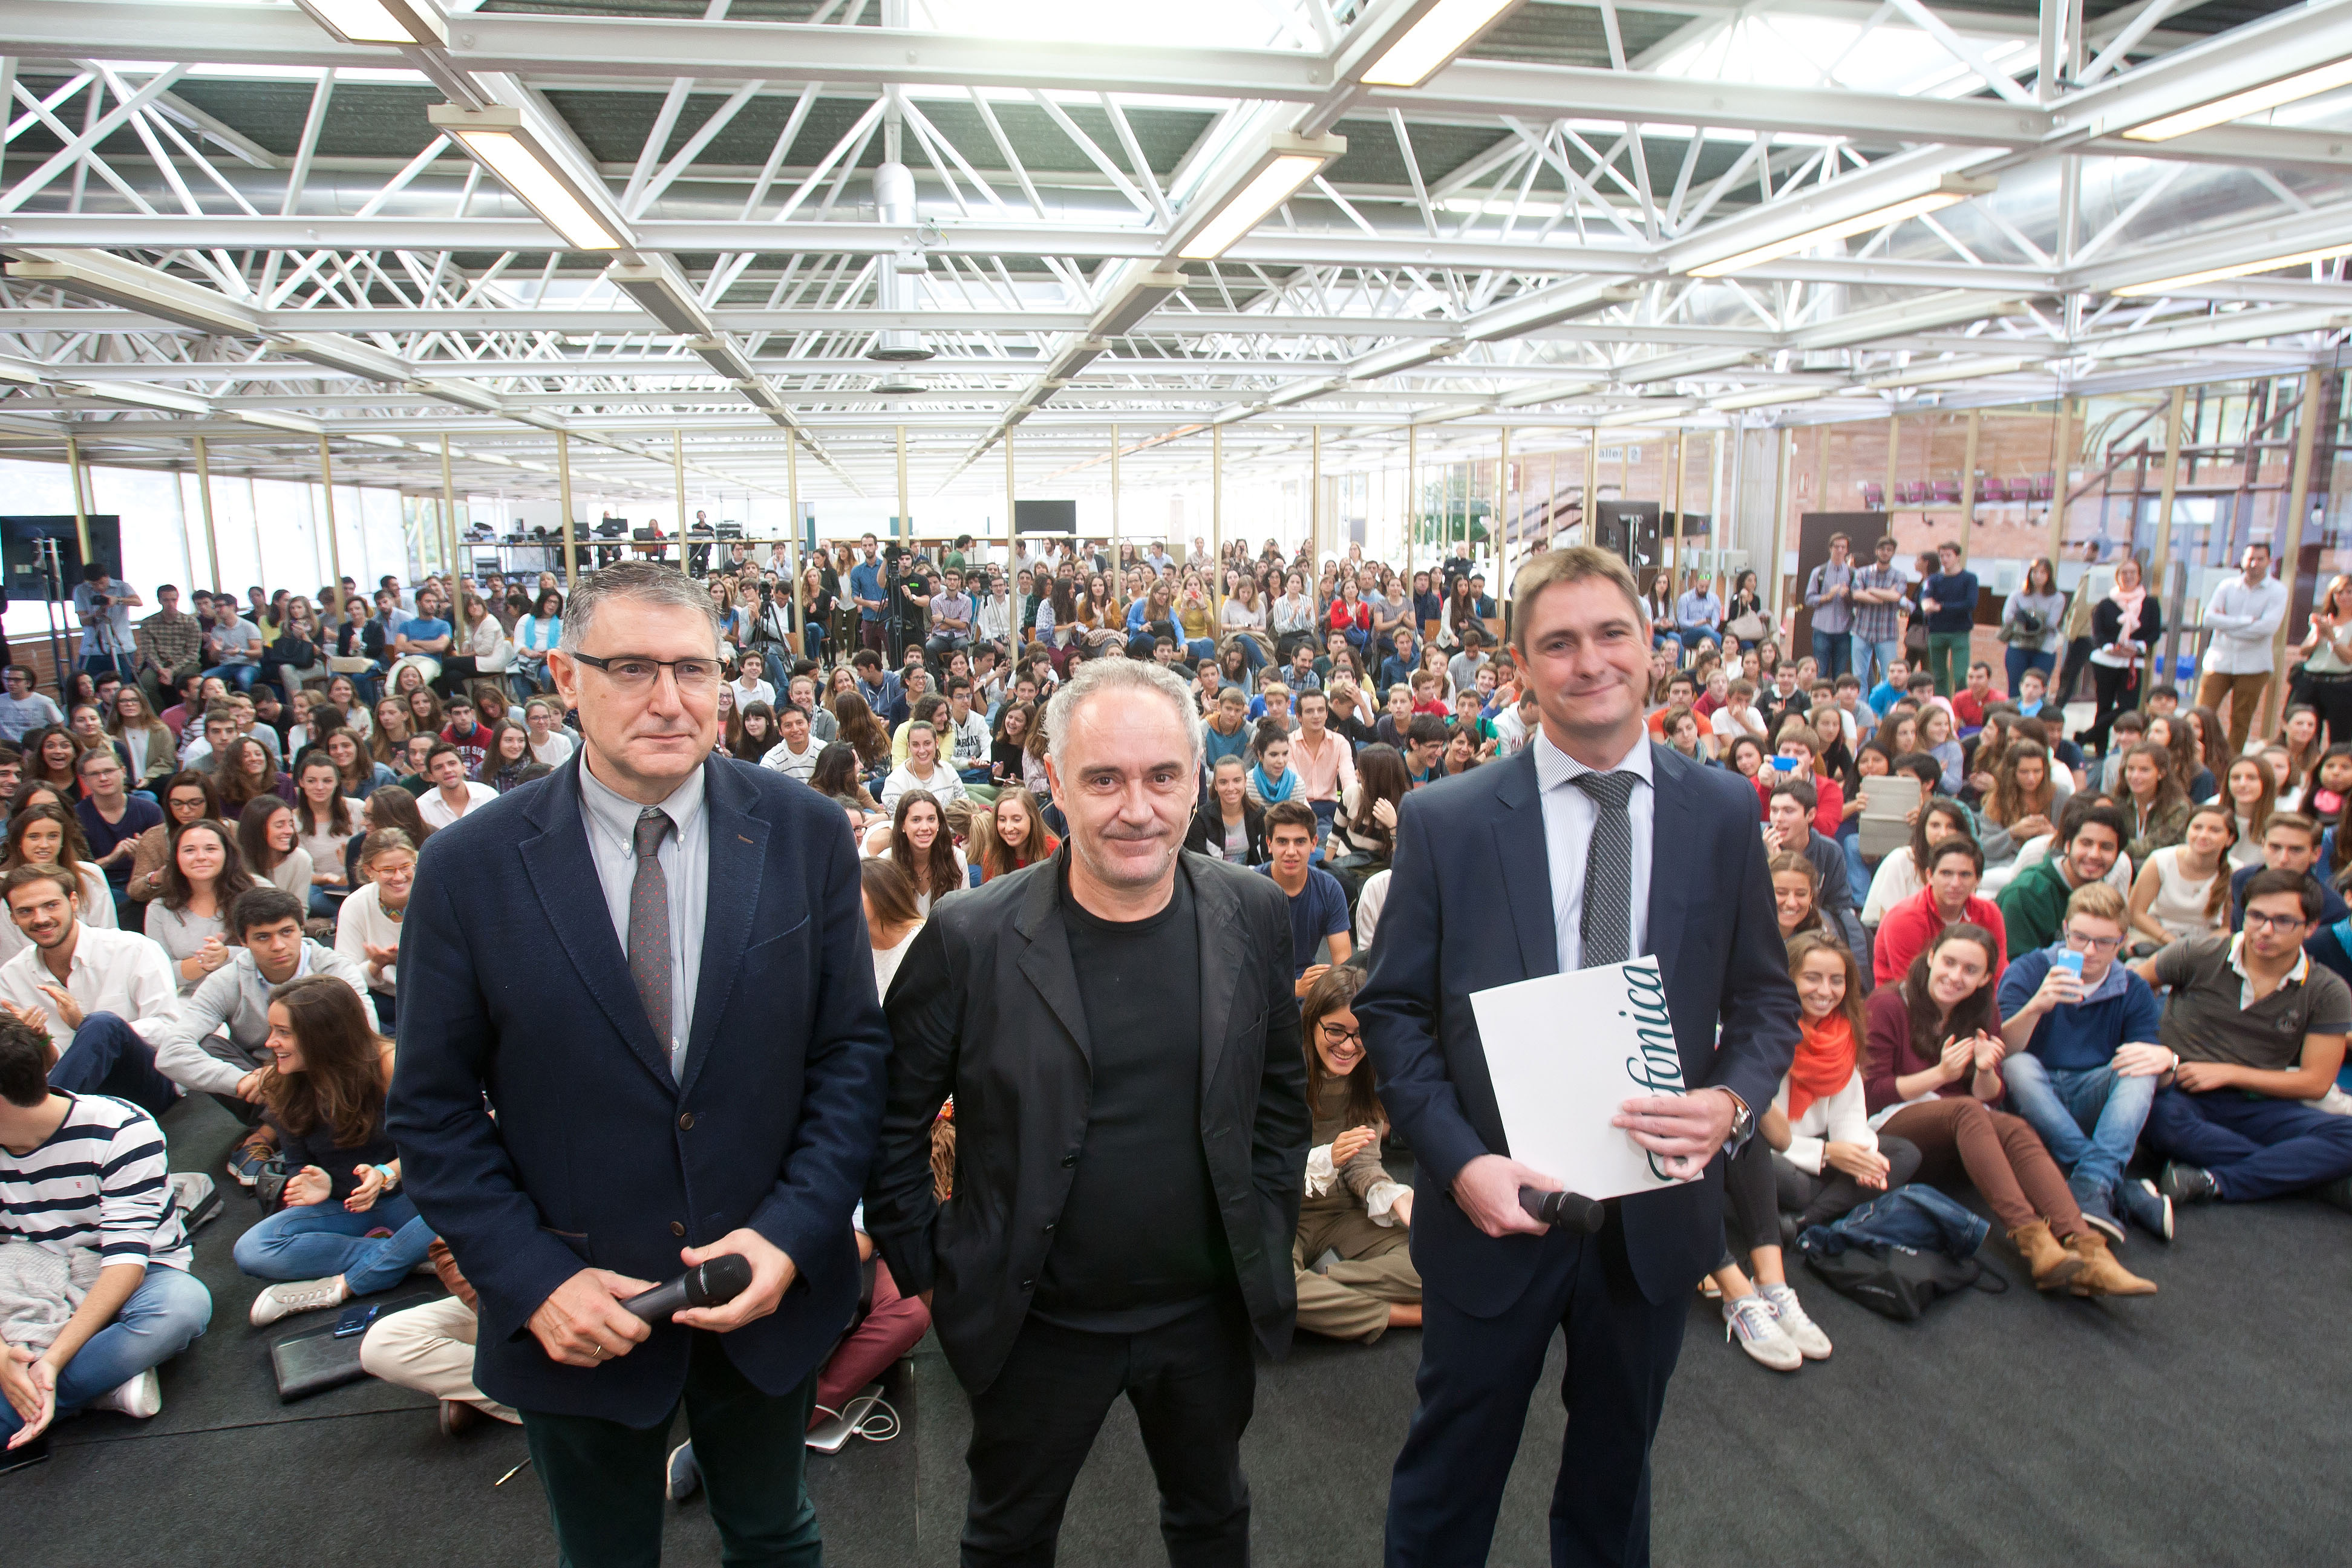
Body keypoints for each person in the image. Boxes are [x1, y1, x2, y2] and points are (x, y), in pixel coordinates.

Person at [387, 561, 890, 1568]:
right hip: (578, 1307)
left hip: (766, 1288)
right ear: (565, 678)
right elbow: (433, 1111)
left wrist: (790, 1237)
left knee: (775, 1531)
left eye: (693, 670)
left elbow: (849, 1057)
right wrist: (534, 1281)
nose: (668, 699)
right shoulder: (469, 867)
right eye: (630, 667)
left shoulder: (803, 833)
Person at [1356, 546, 1799, 1566]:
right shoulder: (1448, 820)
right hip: (1492, 1213)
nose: (1587, 660)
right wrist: (1461, 1165)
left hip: (1653, 1218)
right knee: (1446, 1488)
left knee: (1612, 1492)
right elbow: (1393, 1015)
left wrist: (1731, 1101)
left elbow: (1765, 997)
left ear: (1650, 650)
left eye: (1610, 634)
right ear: (1519, 665)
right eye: (1557, 642)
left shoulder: (1722, 811)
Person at [867, 653, 1306, 1566]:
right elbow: (886, 1119)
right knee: (1008, 1538)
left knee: (1213, 1520)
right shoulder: (971, 935)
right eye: (1103, 778)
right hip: (1035, 1324)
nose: (1136, 808)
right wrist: (937, 1272)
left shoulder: (1254, 912)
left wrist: (1262, 1229)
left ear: (1195, 781)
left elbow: (1277, 1099)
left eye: (1162, 777)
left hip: (1203, 1317)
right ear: (1053, 784)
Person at [1862, 923, 2153, 1295]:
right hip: (1888, 1121)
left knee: (2013, 1126)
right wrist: (1942, 1074)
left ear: (1985, 978)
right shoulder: (1888, 1004)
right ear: (1931, 957)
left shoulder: (1982, 1012)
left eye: (1970, 971)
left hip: (1953, 1119)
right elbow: (1872, 1094)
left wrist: (1984, 1068)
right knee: (1967, 1110)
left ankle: (2087, 1248)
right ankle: (2034, 1241)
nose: (1955, 977)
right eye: (1949, 962)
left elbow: (1990, 1097)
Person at [0, 1012, 211, 1449]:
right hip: (25, 1280)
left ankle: (33, 1399)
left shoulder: (119, 1128)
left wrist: (53, 1363)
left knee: (183, 1307)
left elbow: (125, 1265)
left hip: (136, 1276)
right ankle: (101, 1387)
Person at [2134, 869, 2352, 1209]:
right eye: (2256, 916)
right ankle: (2306, 1176)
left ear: (2310, 928)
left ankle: (2214, 1180)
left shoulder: (2328, 990)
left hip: (2256, 1100)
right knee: (2159, 1121)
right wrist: (2148, 1046)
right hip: (2181, 1090)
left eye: (2283, 921)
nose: (2265, 930)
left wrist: (2230, 1072)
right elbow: (2129, 990)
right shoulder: (2198, 953)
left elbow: (2316, 1083)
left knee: (2348, 1135)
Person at [235, 976, 440, 1326]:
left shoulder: (389, 1065)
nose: (271, 1043)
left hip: (416, 1199)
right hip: (348, 1208)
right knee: (252, 1249)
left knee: (469, 1207)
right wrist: (318, 1185)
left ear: (322, 1034)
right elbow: (299, 1165)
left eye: (283, 1032)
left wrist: (386, 1173)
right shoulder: (280, 1081)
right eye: (272, 1030)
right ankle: (406, 1256)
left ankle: (345, 1285)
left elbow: (439, 1147)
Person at [1995, 883, 2174, 1242]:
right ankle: (2106, 1183)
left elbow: (2147, 1062)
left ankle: (2089, 1179)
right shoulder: (2029, 970)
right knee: (2018, 1065)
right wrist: (2036, 1006)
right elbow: (2000, 1051)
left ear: (2121, 942)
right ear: (2065, 930)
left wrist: (2167, 1060)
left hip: (2092, 1091)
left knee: (2141, 1068)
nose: (2089, 951)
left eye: (2104, 942)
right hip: (2033, 1094)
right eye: (2080, 937)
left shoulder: (2132, 987)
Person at [152, 886, 369, 1122]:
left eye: (287, 932)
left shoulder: (335, 970)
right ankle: (277, 1126)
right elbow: (170, 1053)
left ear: (301, 930)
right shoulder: (226, 980)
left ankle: (273, 1132)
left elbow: (366, 1036)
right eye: (263, 937)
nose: (278, 945)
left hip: (324, 1070)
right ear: (244, 941)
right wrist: (243, 1080)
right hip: (261, 1082)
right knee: (208, 1045)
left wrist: (289, 1077)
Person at [1293, 964, 1420, 1343]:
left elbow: (1362, 1162)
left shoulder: (1370, 1077)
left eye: (1360, 1033)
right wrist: (1325, 1158)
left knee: (1437, 1258)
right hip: (1281, 1216)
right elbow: (1256, 1169)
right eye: (1335, 1030)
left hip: (1342, 1214)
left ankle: (1325, 1283)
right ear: (1312, 1022)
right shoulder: (1280, 1075)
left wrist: (1395, 1196)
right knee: (1269, 1285)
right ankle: (1404, 1315)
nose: (1348, 1046)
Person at [1765, 932, 1922, 1235]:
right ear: (1788, 978)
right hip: (1779, 1149)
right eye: (1812, 978)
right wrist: (1826, 1154)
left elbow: (1849, 1112)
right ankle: (1827, 1207)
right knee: (1788, 1182)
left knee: (1903, 1155)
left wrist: (1858, 1157)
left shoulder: (1844, 1033)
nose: (1826, 990)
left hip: (1825, 1148)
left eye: (1836, 980)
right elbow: (1758, 1133)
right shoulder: (1766, 1032)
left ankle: (1802, 1222)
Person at [0, 864, 181, 1120]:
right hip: (76, 1098)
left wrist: (84, 1026)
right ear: (13, 918)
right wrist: (39, 1041)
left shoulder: (133, 949)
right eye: (26, 911)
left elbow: (168, 1029)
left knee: (103, 1024)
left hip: (142, 1085)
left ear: (73, 902)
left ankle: (43, 1123)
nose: (40, 918)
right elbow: (37, 1067)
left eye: (51, 905)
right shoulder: (11, 976)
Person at [1994, 802, 2128, 953]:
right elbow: (2016, 969)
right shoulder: (2025, 894)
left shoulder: (2104, 896)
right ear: (2068, 846)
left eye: (2106, 847)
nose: (2094, 855)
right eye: (2086, 843)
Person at [1873, 836, 2008, 985]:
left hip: (1970, 997)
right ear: (1930, 876)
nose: (1955, 884)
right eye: (1946, 873)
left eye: (1965, 875)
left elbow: (1997, 975)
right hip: (1906, 1002)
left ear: (1978, 880)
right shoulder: (1904, 919)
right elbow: (1912, 987)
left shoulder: (1989, 913)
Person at [2198, 541, 2287, 758]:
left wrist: (2227, 624)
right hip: (2219, 661)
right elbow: (2209, 618)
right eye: (2250, 558)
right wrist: (2248, 622)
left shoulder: (2277, 590)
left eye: (2260, 559)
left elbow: (2268, 628)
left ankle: (2231, 762)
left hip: (2254, 665)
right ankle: (2197, 757)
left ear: (2269, 562)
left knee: (2241, 720)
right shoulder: (2227, 586)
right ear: (2242, 560)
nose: (2254, 564)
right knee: (2202, 714)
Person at [1261, 799, 1353, 998]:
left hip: (1309, 984)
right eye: (1282, 841)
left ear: (1314, 844)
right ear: (1269, 844)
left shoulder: (1329, 889)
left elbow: (1343, 965)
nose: (1291, 852)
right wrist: (1291, 990)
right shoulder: (1251, 888)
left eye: (1300, 841)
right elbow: (1239, 971)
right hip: (1260, 987)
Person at [70, 747, 162, 926]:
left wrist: (144, 854)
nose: (103, 778)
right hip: (100, 882)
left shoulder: (150, 810)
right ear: (85, 780)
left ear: (123, 772)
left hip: (144, 879)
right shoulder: (76, 816)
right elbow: (75, 869)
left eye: (108, 771)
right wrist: (112, 858)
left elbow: (164, 860)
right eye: (95, 774)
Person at [335, 829, 415, 1033]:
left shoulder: (435, 897)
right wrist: (376, 964)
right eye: (388, 870)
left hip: (429, 997)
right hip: (380, 998)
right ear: (369, 871)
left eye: (405, 867)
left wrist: (407, 959)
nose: (399, 877)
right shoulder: (356, 905)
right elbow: (343, 979)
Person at [2128, 803, 2233, 950]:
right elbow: (2136, 913)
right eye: (2197, 828)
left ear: (2230, 839)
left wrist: (2195, 949)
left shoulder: (2236, 872)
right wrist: (2172, 943)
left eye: (2215, 830)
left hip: (2205, 947)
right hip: (2156, 940)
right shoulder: (2160, 861)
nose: (2203, 835)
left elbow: (2229, 927)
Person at [2086, 557, 2161, 756]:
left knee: (2128, 708)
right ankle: (2100, 751)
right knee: (2104, 706)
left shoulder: (2150, 603)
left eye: (2132, 573)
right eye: (2123, 573)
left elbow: (2154, 632)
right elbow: (2098, 634)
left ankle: (2091, 737)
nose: (2128, 577)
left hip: (2132, 663)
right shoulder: (2105, 604)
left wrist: (2137, 646)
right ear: (2117, 577)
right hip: (2106, 662)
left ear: (2139, 577)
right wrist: (2111, 648)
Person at [1802, 534, 1856, 678]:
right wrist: (1828, 596)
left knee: (1840, 672)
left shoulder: (1853, 574)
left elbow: (1858, 602)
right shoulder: (1819, 572)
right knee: (1820, 670)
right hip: (1822, 629)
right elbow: (1809, 599)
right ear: (1830, 548)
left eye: (1843, 547)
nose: (1839, 550)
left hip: (1844, 630)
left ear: (1847, 551)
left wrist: (1848, 596)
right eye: (1836, 546)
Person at [416, 742, 497, 828]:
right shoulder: (422, 807)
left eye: (452, 763)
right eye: (439, 767)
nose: (447, 770)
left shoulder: (488, 796)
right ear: (432, 777)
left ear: (463, 768)